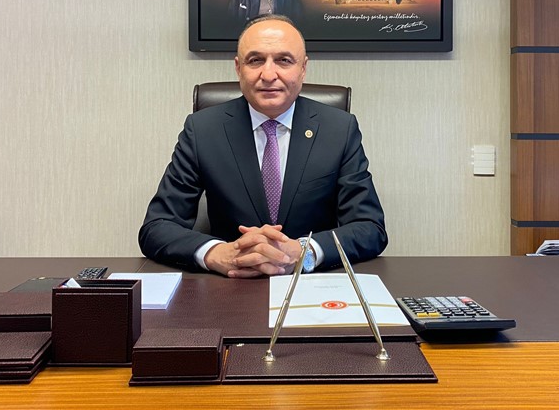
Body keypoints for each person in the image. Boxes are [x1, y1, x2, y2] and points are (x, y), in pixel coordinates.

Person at [139, 15, 387, 278]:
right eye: (255, 60)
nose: (268, 75)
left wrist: (304, 252)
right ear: (238, 68)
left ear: (303, 68)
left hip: (309, 286)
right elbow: (157, 227)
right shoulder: (202, 130)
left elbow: (369, 227)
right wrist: (217, 253)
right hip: (229, 285)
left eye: (284, 60)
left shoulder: (339, 129)